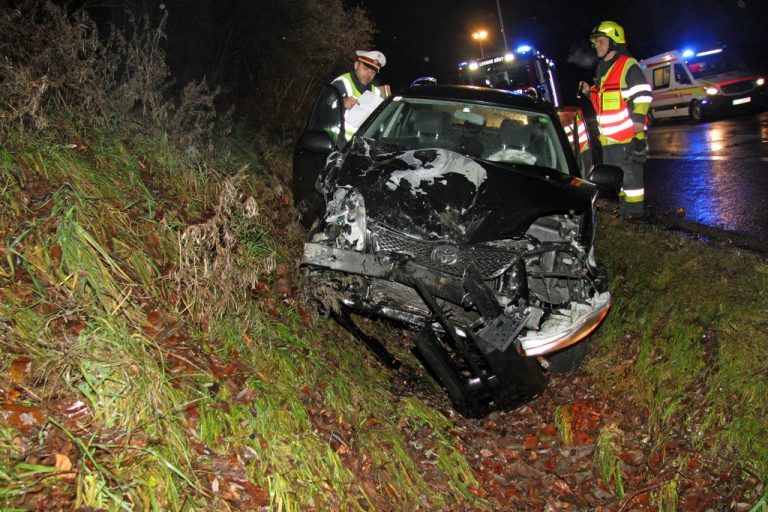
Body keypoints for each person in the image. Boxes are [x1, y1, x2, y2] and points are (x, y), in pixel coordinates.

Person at [579, 21, 652, 219]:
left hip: (627, 138)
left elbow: (644, 95)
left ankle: (635, 217)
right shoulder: (603, 69)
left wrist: (638, 124)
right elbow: (603, 101)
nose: (597, 46)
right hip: (609, 141)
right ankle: (626, 213)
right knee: (618, 180)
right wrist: (589, 92)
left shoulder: (628, 65)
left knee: (631, 181)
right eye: (595, 42)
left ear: (614, 42)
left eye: (601, 41)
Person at [331, 50, 387, 140]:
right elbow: (323, 112)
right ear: (356, 65)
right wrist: (341, 103)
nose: (369, 74)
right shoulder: (341, 83)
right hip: (334, 142)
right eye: (365, 68)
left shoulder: (376, 93)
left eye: (373, 72)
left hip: (359, 147)